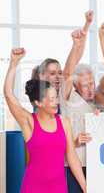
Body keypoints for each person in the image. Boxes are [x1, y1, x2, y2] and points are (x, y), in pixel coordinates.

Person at [4, 48, 86, 193]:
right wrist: (14, 63)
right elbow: (9, 95)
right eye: (52, 99)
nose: (56, 102)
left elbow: (72, 159)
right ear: (38, 103)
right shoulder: (28, 122)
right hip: (33, 188)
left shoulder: (64, 122)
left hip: (59, 188)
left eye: (56, 98)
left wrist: (86, 188)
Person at [61, 11, 97, 193]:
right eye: (85, 85)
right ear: (75, 86)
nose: (91, 88)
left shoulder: (98, 100)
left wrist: (87, 27)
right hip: (73, 166)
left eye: (92, 83)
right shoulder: (68, 98)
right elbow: (68, 72)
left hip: (96, 166)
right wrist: (78, 41)